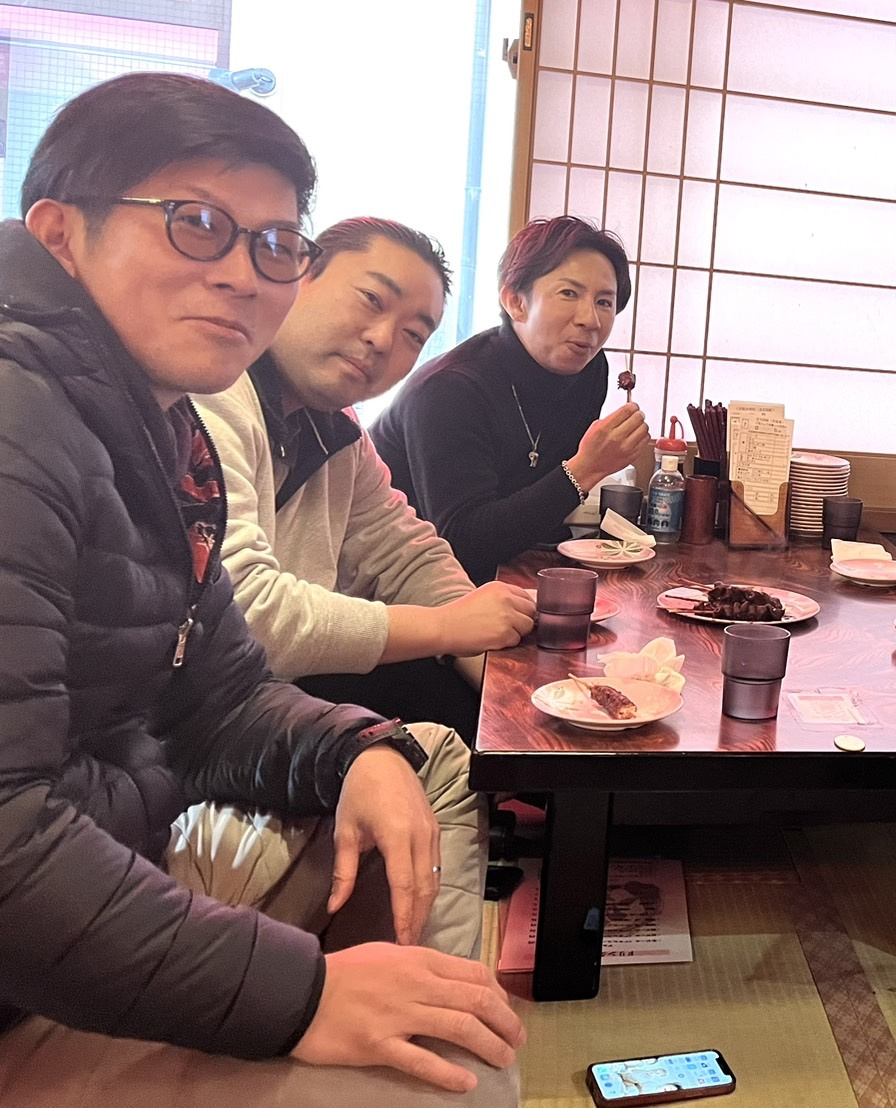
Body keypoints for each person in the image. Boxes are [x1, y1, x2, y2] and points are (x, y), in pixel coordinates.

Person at [0, 73, 520, 1103]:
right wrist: (302, 996)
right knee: (460, 1078)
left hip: (117, 849)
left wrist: (357, 746)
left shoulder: (172, 426)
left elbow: (220, 687)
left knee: (420, 764)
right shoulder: (34, 420)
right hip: (28, 963)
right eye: (197, 225)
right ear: (61, 235)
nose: (242, 274)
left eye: (274, 244)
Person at [194, 217, 535, 742]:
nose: (381, 339)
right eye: (371, 299)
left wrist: (510, 686)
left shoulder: (338, 429)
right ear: (300, 274)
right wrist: (449, 628)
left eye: (414, 334)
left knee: (469, 709)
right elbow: (243, 614)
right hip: (187, 719)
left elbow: (406, 555)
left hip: (271, 692)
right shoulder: (212, 393)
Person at [372, 215, 652, 583]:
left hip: (506, 571)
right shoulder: (450, 390)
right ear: (515, 302)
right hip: (395, 581)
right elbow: (462, 541)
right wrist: (586, 469)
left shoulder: (590, 371)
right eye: (569, 293)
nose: (591, 320)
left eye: (604, 301)